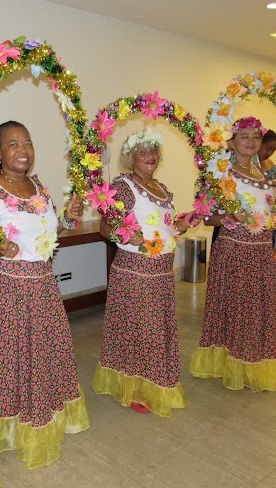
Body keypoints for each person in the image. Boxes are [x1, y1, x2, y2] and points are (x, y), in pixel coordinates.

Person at [0, 120, 90, 469]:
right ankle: (10, 423)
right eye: (13, 143)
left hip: (43, 286)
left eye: (28, 143)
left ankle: (44, 410)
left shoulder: (37, 186)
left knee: (45, 353)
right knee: (11, 356)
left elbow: (48, 238)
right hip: (5, 290)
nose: (23, 150)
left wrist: (66, 219)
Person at [93, 128, 194, 417]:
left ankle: (150, 381)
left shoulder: (162, 188)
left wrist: (179, 225)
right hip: (136, 273)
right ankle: (138, 388)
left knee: (154, 331)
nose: (149, 156)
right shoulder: (124, 186)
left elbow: (162, 227)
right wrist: (125, 235)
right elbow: (105, 227)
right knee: (140, 332)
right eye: (142, 151)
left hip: (161, 273)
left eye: (153, 150)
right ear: (130, 158)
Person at [190, 116, 276, 393]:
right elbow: (207, 218)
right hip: (233, 251)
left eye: (255, 137)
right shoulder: (221, 175)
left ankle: (253, 361)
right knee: (237, 309)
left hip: (260, 253)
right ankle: (233, 363)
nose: (251, 142)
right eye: (244, 136)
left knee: (257, 310)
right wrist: (228, 215)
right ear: (232, 142)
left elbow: (271, 212)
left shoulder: (266, 176)